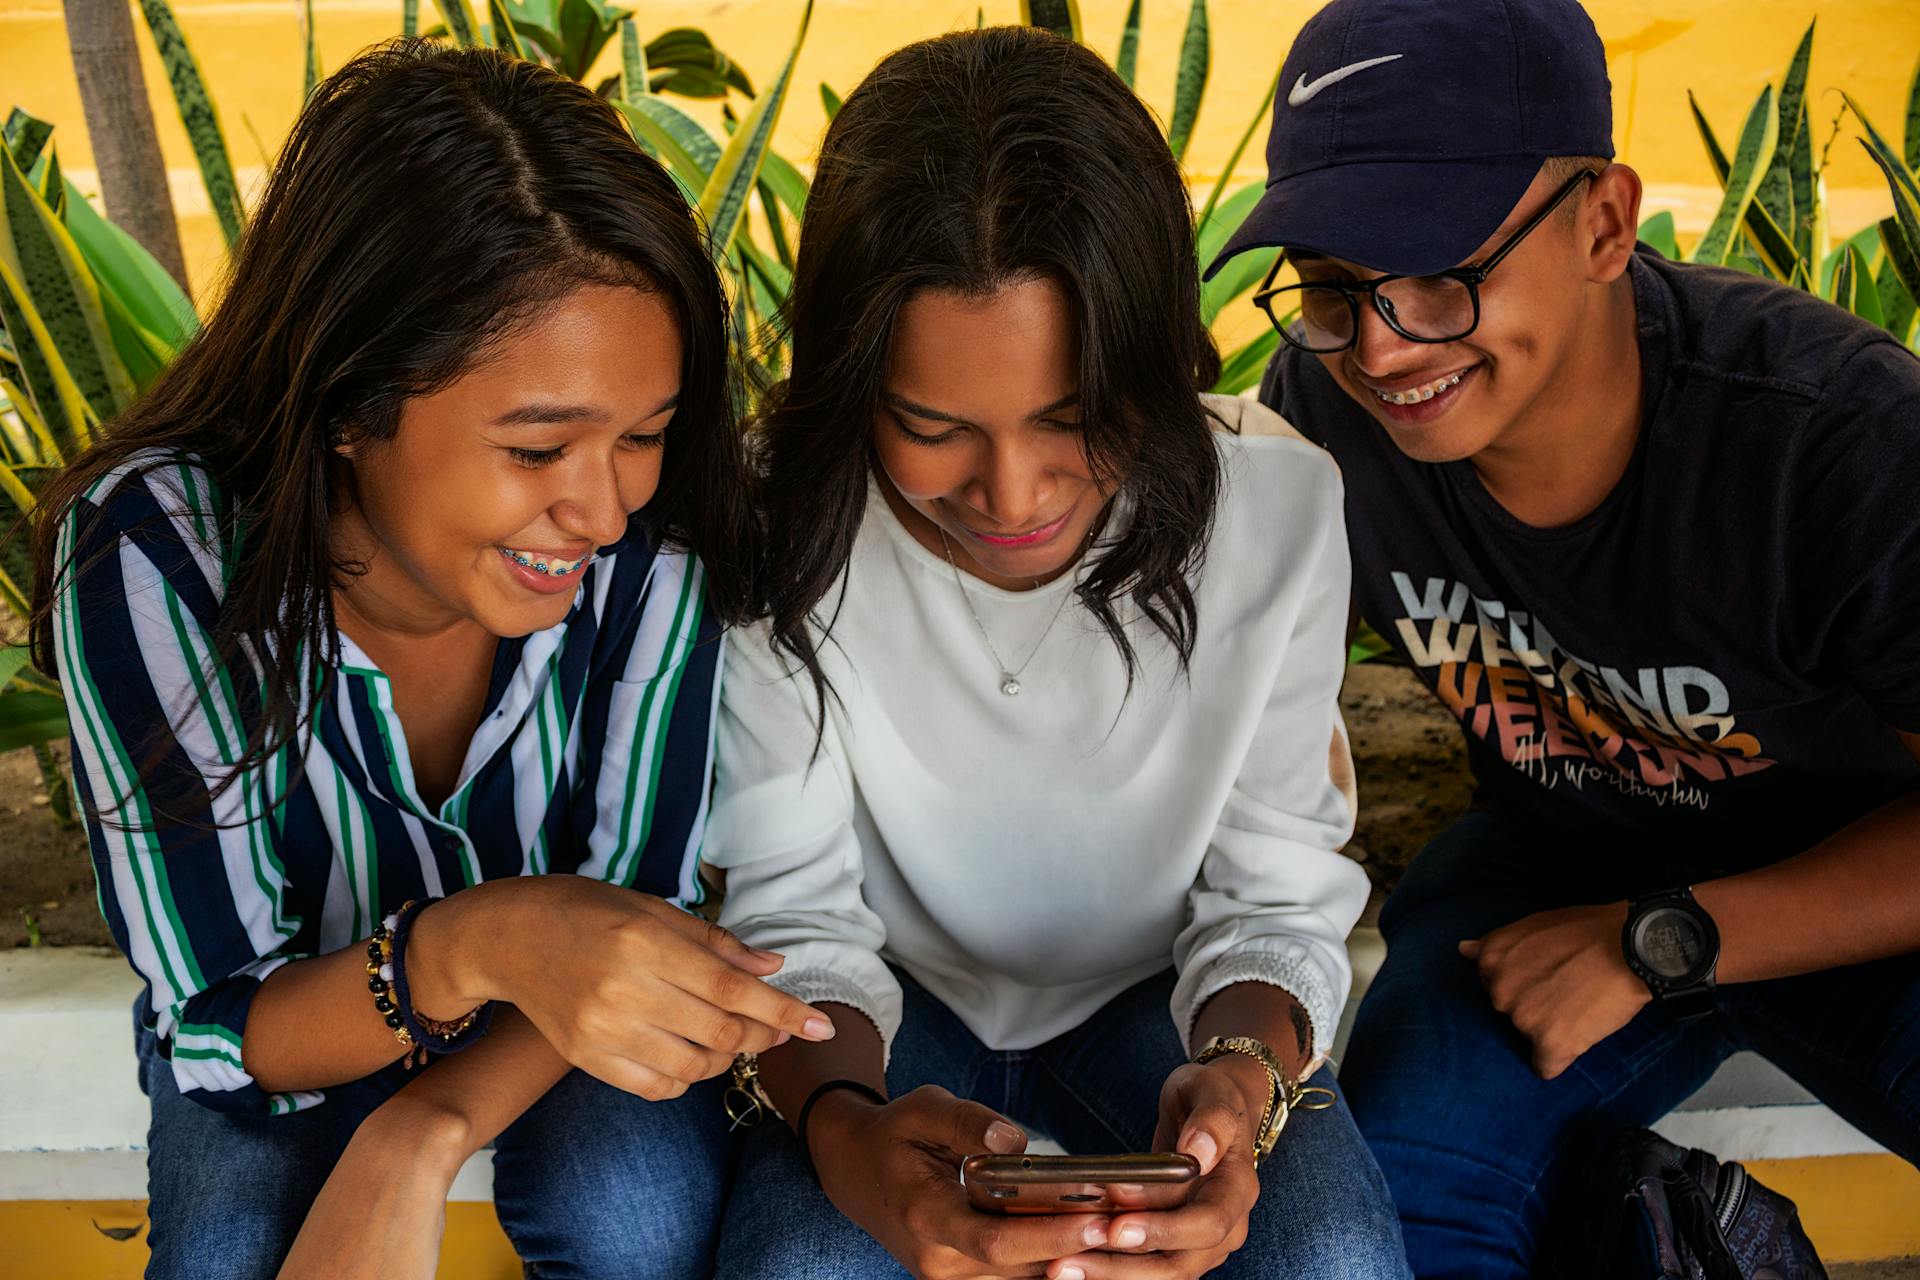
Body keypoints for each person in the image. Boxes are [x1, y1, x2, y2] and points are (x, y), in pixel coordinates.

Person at [30, 40, 834, 1280]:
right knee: (227, 1251)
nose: (603, 512)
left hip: (550, 1028)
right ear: (351, 406)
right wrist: (476, 941)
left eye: (647, 435)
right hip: (291, 1019)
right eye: (536, 450)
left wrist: (424, 1125)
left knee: (632, 1223)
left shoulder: (653, 546)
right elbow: (220, 1025)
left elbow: (638, 923)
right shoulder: (155, 556)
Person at [1206, 0, 1920, 1274]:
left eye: (1440, 272)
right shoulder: (1320, 417)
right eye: (1330, 281)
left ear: (1604, 221)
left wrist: (1668, 935)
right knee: (1398, 1229)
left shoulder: (1837, 444)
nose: (1380, 343)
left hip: (1866, 892)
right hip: (1552, 866)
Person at [703, 26, 1409, 1280]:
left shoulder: (1278, 511)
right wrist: (847, 1132)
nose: (1012, 492)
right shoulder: (777, 517)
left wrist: (1239, 1091)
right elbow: (792, 912)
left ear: (1154, 357)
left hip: (1166, 1005)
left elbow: (1272, 888)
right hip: (874, 1019)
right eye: (931, 427)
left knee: (1336, 1253)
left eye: (1075, 415)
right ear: (854, 386)